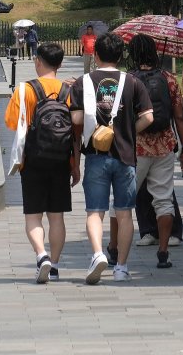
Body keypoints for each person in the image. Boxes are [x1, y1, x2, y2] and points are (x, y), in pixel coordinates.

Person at [69, 33, 154, 284]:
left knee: (95, 211)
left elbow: (74, 119)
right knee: (125, 213)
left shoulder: (83, 82)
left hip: (96, 155)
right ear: (120, 56)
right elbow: (149, 117)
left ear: (95, 55)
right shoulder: (133, 82)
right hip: (126, 156)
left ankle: (97, 254)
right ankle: (122, 268)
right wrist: (127, 130)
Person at [4, 43, 79, 283]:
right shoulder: (68, 91)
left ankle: (41, 255)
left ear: (38, 61)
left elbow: (12, 123)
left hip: (32, 159)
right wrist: (76, 165)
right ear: (60, 64)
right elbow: (76, 131)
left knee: (33, 216)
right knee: (57, 216)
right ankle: (55, 266)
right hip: (61, 160)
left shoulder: (25, 89)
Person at [127, 33, 183, 269]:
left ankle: (115, 249)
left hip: (137, 146)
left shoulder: (129, 79)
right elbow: (179, 117)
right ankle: (163, 252)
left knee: (124, 198)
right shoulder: (170, 78)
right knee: (164, 199)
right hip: (165, 145)